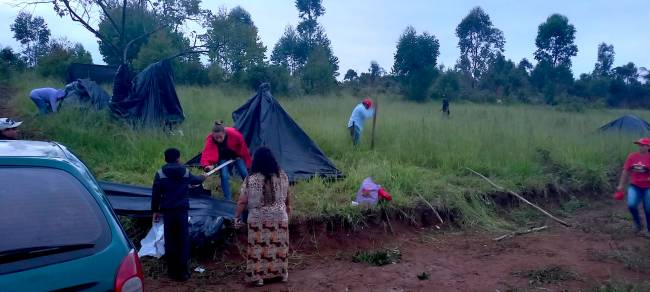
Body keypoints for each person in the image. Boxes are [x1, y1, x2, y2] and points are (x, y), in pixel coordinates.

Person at [234, 147, 291, 287]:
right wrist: (287, 210)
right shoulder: (282, 175)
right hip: (279, 216)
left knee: (258, 248)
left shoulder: (251, 179)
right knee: (279, 246)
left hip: (257, 219)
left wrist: (237, 217)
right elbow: (288, 196)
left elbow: (242, 201)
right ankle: (282, 274)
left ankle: (259, 277)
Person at [151, 148, 207, 281]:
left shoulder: (160, 173)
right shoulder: (185, 172)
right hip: (182, 211)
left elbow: (155, 194)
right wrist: (203, 177)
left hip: (168, 212)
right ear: (178, 158)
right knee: (183, 240)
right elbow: (195, 180)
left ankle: (172, 272)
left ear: (166, 159)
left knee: (170, 241)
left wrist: (155, 211)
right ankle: (183, 273)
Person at [200, 120, 252, 200]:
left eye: (220, 137)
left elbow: (243, 148)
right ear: (213, 135)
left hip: (236, 155)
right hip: (223, 158)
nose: (218, 139)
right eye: (216, 137)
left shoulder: (234, 134)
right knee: (224, 176)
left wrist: (245, 160)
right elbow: (206, 154)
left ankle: (251, 194)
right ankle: (228, 199)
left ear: (224, 133)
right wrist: (207, 166)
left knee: (244, 173)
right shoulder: (211, 139)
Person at [616, 137, 650, 237]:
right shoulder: (632, 156)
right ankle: (637, 223)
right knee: (631, 205)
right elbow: (625, 171)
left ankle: (648, 229)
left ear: (648, 147)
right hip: (635, 185)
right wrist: (621, 185)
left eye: (643, 145)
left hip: (648, 187)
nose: (640, 147)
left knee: (648, 209)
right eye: (639, 145)